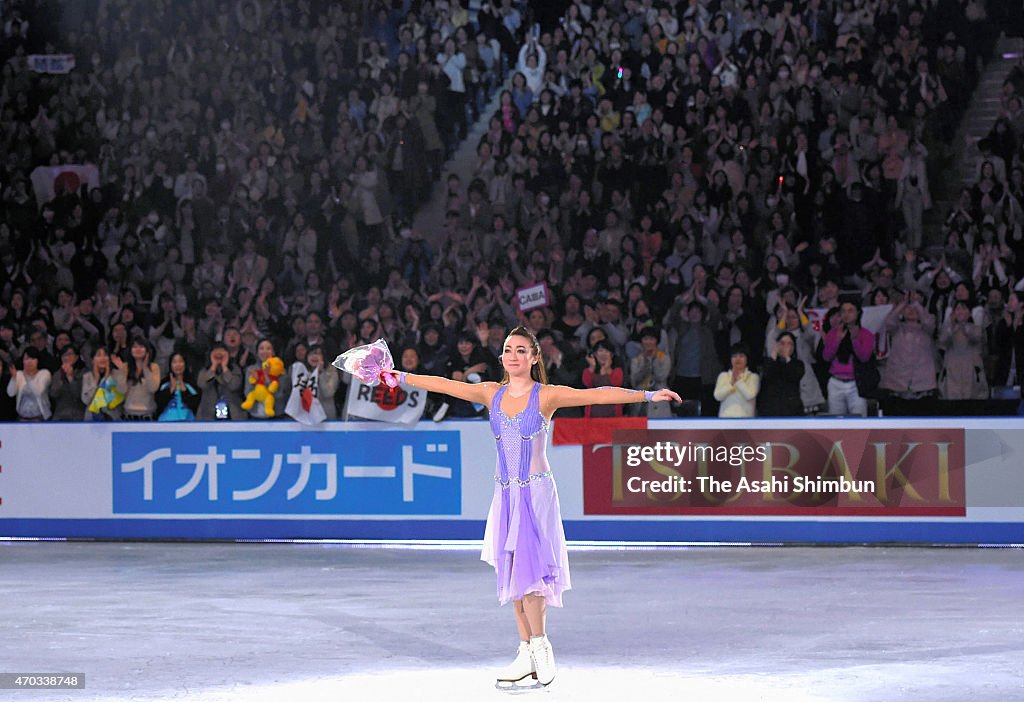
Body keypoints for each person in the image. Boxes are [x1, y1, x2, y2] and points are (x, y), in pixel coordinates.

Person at [377, 326, 679, 688]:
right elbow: (443, 384)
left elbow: (596, 395)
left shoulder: (547, 396)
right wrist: (401, 376)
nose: (513, 355)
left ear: (535, 357)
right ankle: (526, 651)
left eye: (522, 350)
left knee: (532, 574)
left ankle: (541, 646)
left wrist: (646, 394)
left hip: (536, 496)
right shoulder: (491, 392)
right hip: (504, 495)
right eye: (508, 349)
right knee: (512, 573)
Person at [821, 301, 876, 416]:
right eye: (843, 311)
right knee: (836, 422)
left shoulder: (866, 334)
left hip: (856, 383)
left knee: (858, 422)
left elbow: (864, 358)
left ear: (858, 313)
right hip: (835, 382)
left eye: (850, 310)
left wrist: (855, 340)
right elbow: (826, 357)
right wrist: (837, 340)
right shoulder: (833, 333)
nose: (846, 314)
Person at [113, 337, 161, 420]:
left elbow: (153, 388)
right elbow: (121, 390)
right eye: (134, 347)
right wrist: (122, 372)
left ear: (147, 350)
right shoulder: (124, 367)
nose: (138, 349)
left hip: (148, 415)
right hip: (128, 414)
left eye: (141, 347)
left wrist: (145, 368)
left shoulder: (154, 367)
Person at [758, 332, 805, 416]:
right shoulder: (769, 361)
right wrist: (774, 353)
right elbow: (767, 373)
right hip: (769, 411)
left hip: (791, 412)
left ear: (794, 348)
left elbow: (795, 374)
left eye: (789, 344)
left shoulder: (798, 364)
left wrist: (787, 357)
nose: (785, 347)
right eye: (782, 343)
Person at [197, 343, 246, 420]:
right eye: (216, 351)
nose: (219, 354)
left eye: (222, 352)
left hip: (233, 415)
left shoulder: (235, 369)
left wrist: (224, 367)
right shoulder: (205, 370)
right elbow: (202, 384)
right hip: (207, 415)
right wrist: (213, 367)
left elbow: (234, 386)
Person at [713, 343, 760, 417]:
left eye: (741, 356)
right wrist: (731, 384)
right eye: (734, 356)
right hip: (725, 420)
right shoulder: (723, 376)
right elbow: (717, 396)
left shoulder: (753, 377)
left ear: (747, 359)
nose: (738, 359)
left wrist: (738, 381)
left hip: (746, 421)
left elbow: (750, 395)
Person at [7, 347, 52, 421]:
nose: (30, 362)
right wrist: (14, 378)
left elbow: (38, 391)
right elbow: (10, 393)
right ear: (23, 361)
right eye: (27, 359)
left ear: (38, 361)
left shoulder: (44, 373)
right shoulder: (19, 374)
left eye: (33, 359)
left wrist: (29, 376)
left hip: (40, 418)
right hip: (22, 418)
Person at [156, 352, 200, 421]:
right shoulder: (164, 384)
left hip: (188, 423)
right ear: (170, 365)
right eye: (174, 362)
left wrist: (184, 390)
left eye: (180, 361)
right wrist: (170, 390)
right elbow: (159, 404)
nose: (178, 365)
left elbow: (195, 405)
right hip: (165, 423)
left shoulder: (192, 384)